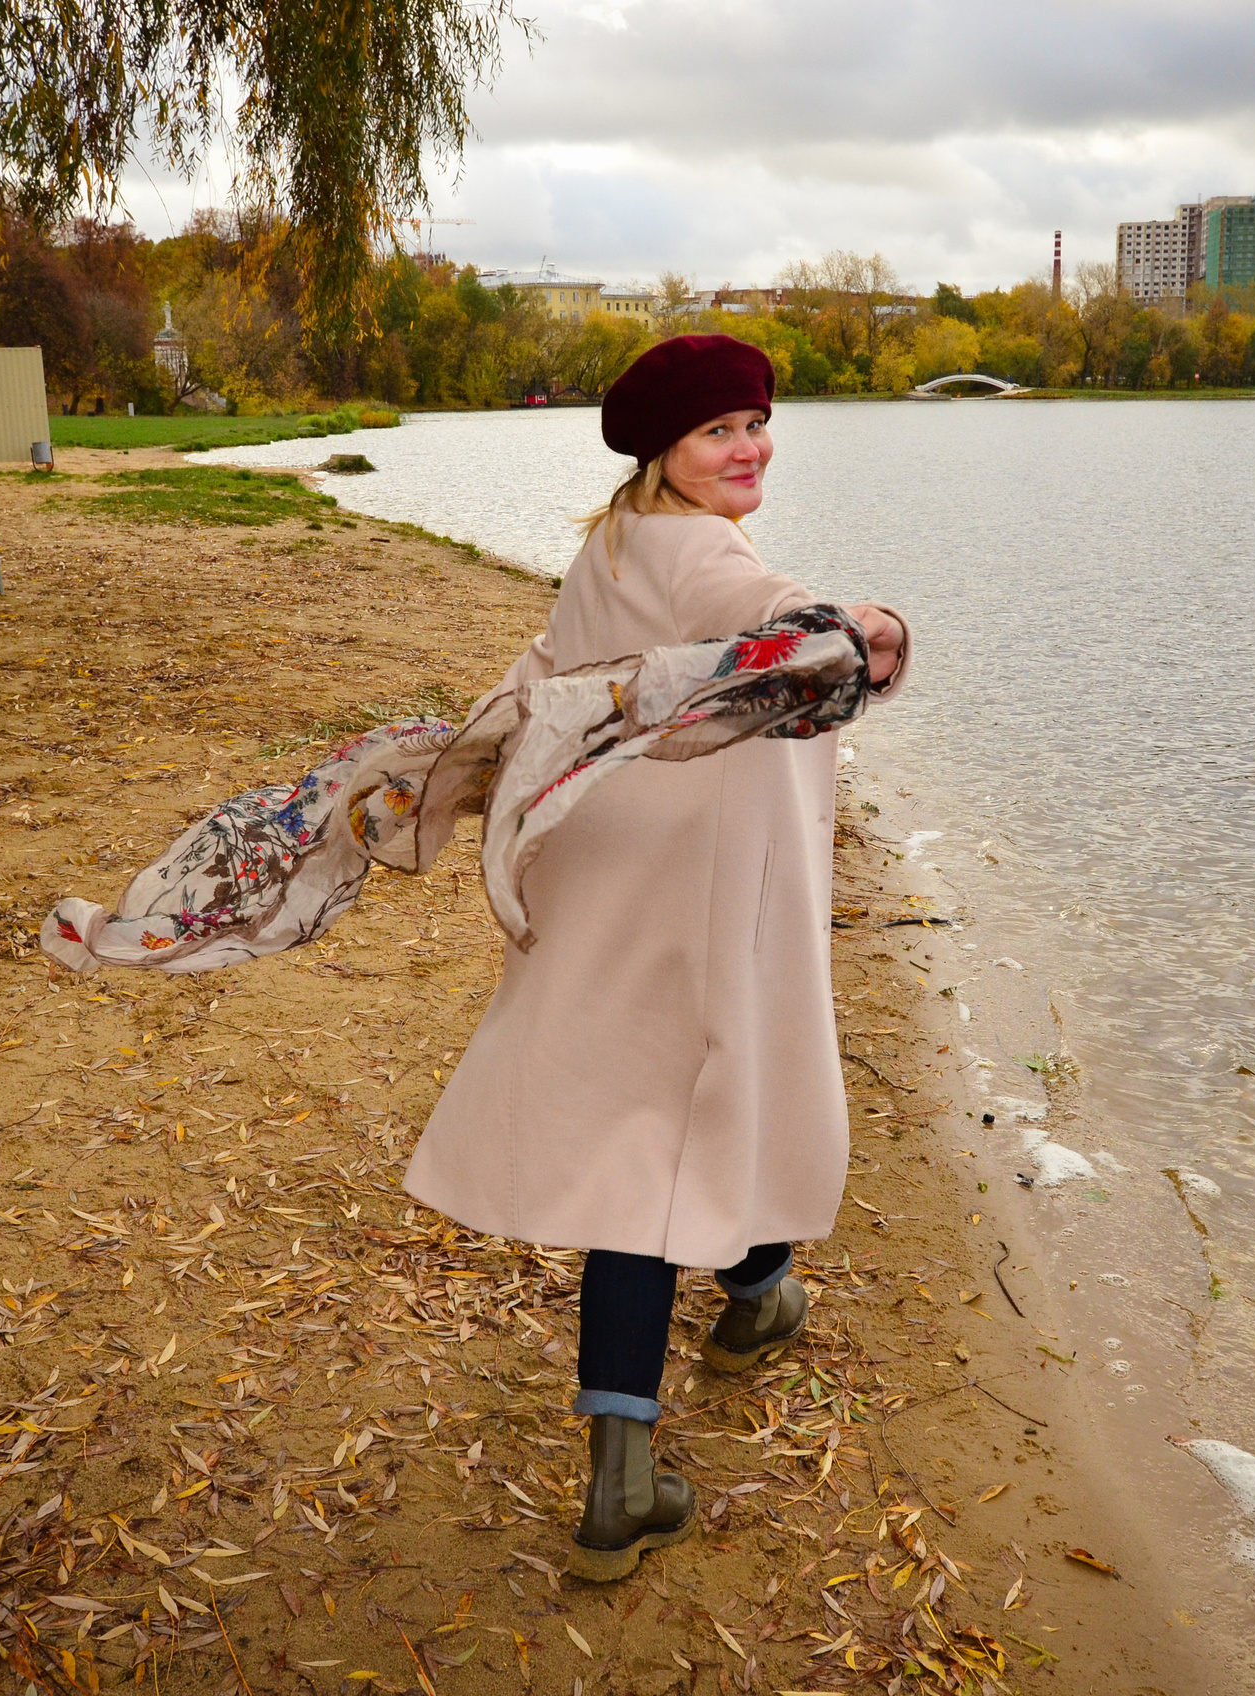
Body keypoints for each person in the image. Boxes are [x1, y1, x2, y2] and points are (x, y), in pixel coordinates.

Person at [404, 335, 912, 1581]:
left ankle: (759, 1286)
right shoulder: (702, 549)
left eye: (753, 422)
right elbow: (777, 619)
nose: (746, 449)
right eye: (716, 434)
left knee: (652, 1119)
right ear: (664, 454)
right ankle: (622, 1482)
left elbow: (549, 673)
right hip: (691, 885)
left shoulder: (616, 539)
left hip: (609, 868)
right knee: (662, 1143)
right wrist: (877, 628)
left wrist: (461, 775)